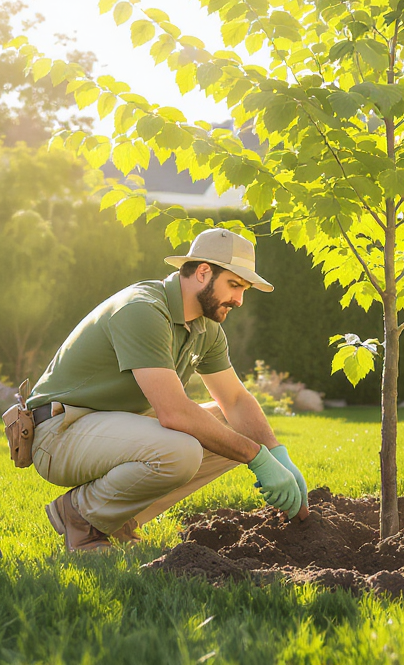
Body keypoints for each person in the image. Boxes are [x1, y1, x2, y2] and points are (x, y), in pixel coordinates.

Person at [24, 227, 309, 551]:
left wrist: (275, 452)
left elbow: (235, 399)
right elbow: (174, 413)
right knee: (180, 450)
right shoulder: (143, 310)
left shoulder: (205, 328)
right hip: (59, 434)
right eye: (235, 285)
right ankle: (81, 515)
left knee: (233, 425)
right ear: (203, 272)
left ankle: (116, 517)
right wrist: (256, 458)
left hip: (108, 430)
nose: (239, 300)